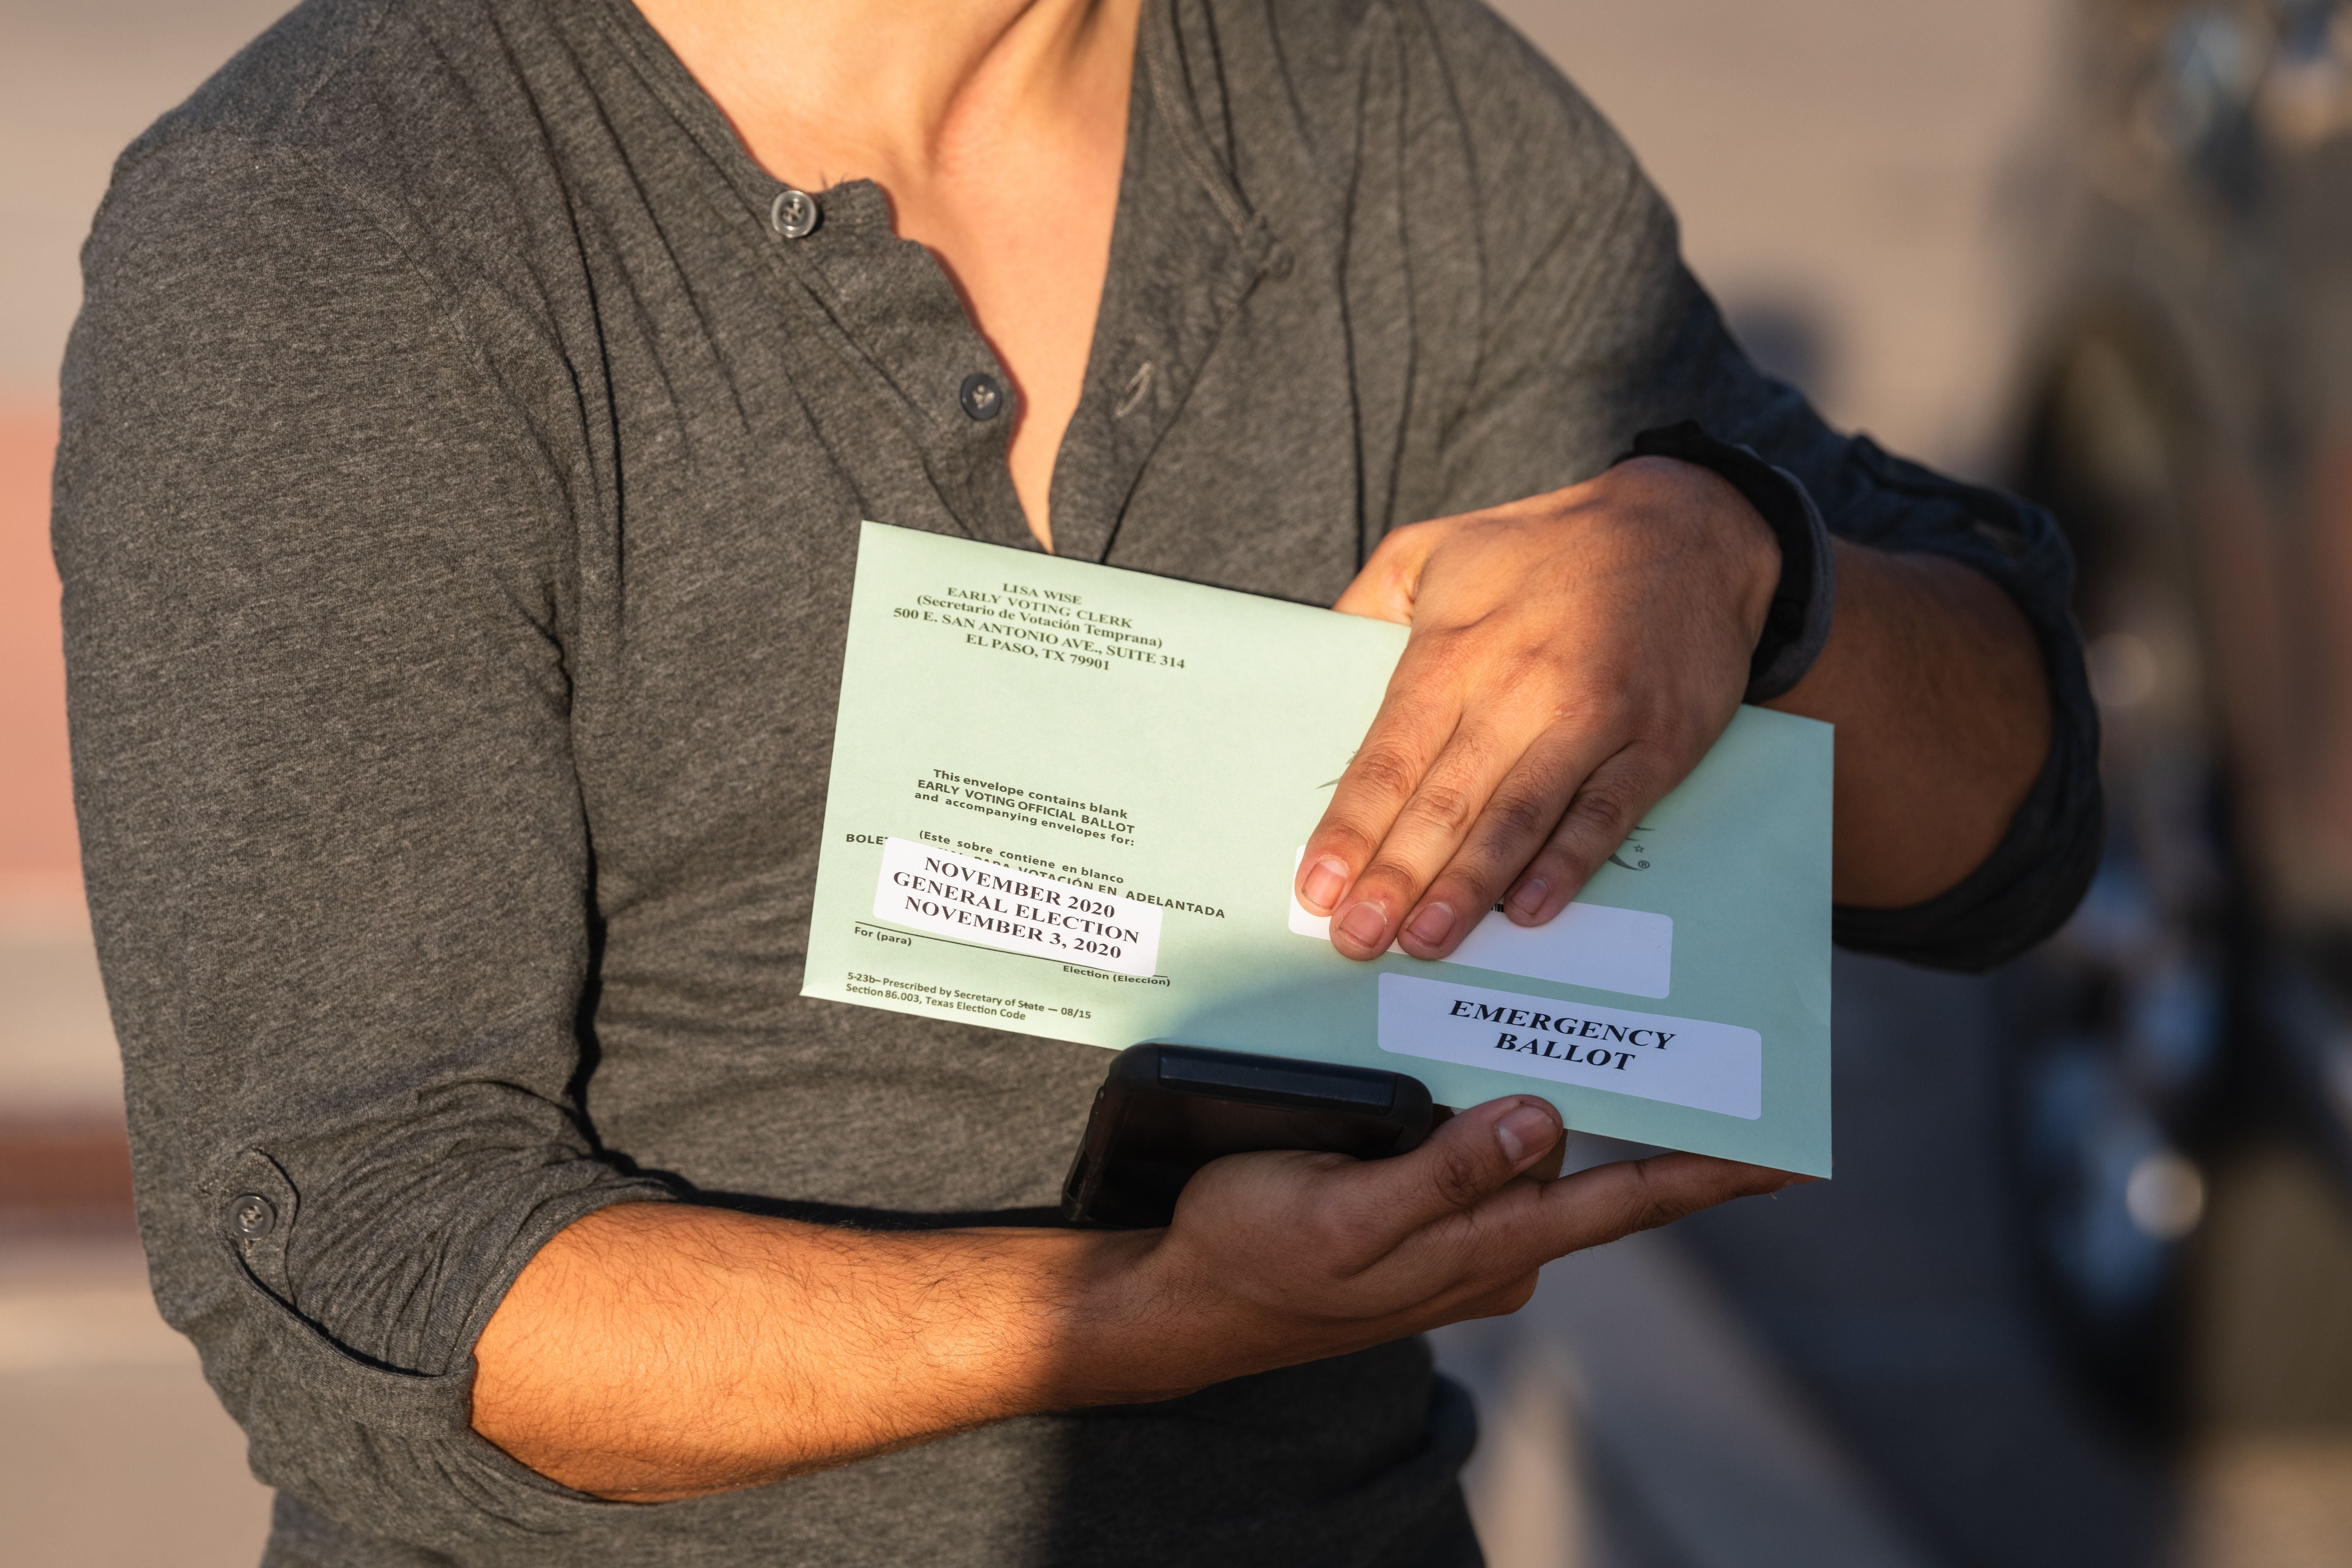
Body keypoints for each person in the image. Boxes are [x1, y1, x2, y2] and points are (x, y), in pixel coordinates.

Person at [53, 0, 2097, 1562]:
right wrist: (1146, 1316)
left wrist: (1731, 562)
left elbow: (2003, 824)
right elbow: (382, 1272)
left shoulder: (1387, 109)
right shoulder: (338, 216)